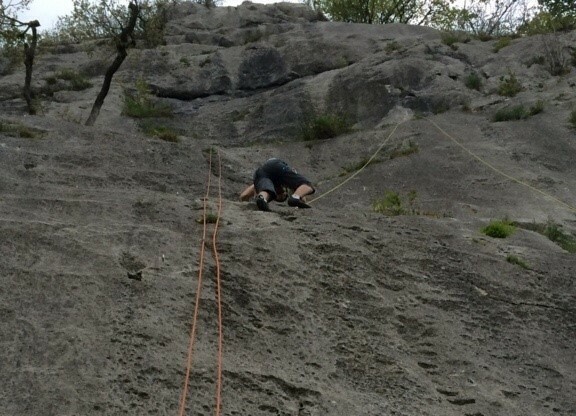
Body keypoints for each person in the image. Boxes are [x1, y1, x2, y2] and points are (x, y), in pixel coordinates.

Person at [239, 158, 315, 211]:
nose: (280, 193)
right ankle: (295, 197)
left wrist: (245, 205)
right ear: (285, 191)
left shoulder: (265, 185)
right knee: (307, 185)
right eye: (282, 194)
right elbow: (301, 187)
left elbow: (244, 196)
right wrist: (298, 201)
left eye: (278, 195)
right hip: (275, 166)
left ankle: (262, 199)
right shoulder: (286, 184)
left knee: (267, 191)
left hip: (263, 170)